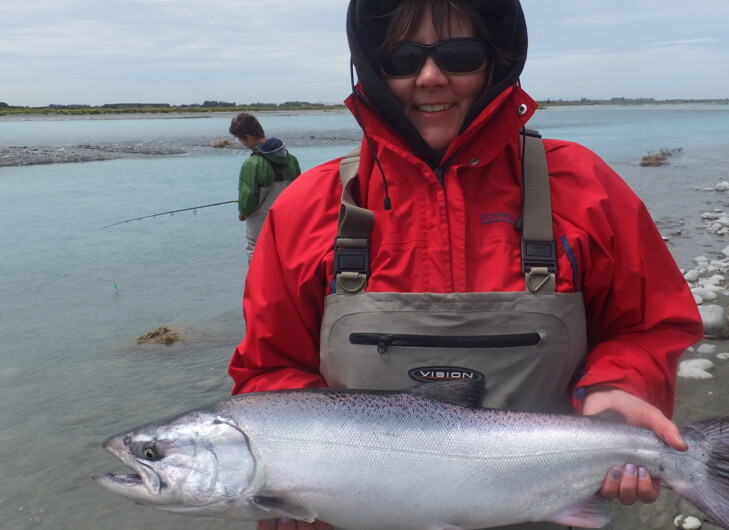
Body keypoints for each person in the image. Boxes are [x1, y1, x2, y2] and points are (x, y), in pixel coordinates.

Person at [230, 1, 703, 528]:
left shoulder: (585, 189)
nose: (431, 77)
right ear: (371, 68)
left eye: (460, 55)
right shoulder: (304, 210)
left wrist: (620, 389)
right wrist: (294, 479)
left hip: (544, 505)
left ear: (497, 61)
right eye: (402, 59)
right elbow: (268, 372)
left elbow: (650, 326)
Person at [229, 112, 302, 260]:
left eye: (242, 141)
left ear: (249, 137)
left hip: (260, 226)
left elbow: (248, 198)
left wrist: (242, 212)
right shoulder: (291, 160)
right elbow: (300, 191)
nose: (244, 145)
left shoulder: (252, 164)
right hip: (289, 223)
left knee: (257, 257)